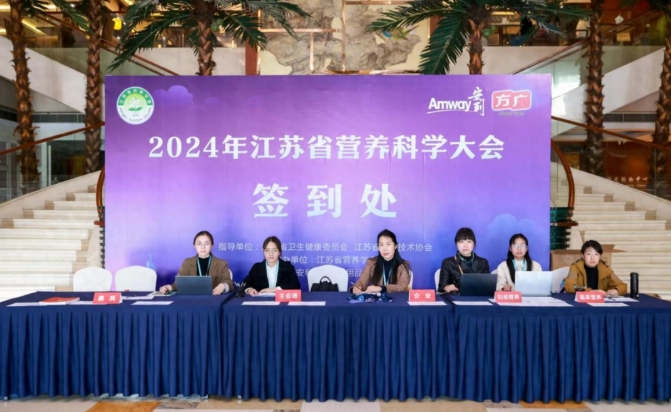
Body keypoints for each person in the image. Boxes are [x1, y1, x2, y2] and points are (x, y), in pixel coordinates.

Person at [159, 231, 233, 295]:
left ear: (212, 245)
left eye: (206, 244)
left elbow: (229, 284)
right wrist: (169, 287)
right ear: (194, 245)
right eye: (199, 244)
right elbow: (179, 283)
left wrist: (223, 286)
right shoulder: (187, 262)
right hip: (192, 301)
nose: (203, 247)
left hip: (214, 300)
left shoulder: (222, 264)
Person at [352, 229, 411, 294]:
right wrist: (356, 288)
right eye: (381, 245)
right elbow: (361, 282)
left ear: (395, 246)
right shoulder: (371, 263)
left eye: (388, 244)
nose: (384, 249)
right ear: (378, 247)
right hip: (377, 299)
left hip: (397, 299)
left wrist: (382, 288)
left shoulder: (403, 265)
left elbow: (402, 286)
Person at [563, 240, 627, 296]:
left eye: (596, 254)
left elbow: (623, 286)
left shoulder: (605, 269)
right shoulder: (575, 267)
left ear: (600, 256)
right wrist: (591, 292)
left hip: (600, 304)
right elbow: (569, 286)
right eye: (589, 254)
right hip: (580, 302)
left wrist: (616, 291)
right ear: (583, 256)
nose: (593, 258)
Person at [438, 227, 490, 293]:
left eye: (469, 241)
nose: (465, 245)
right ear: (456, 244)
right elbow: (442, 286)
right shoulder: (448, 262)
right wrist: (446, 287)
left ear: (474, 244)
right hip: (457, 297)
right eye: (461, 242)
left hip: (478, 297)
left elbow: (488, 286)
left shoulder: (483, 262)